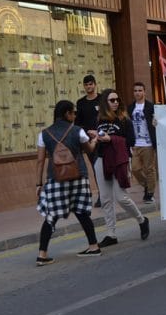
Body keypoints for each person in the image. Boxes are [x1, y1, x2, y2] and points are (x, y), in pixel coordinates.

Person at [35, 100, 101, 265]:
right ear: (67, 114)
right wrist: (94, 139)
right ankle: (94, 246)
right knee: (81, 212)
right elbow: (89, 150)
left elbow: (40, 161)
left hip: (55, 179)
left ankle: (42, 254)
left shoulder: (44, 134)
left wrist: (38, 184)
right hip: (78, 177)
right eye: (73, 112)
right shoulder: (78, 131)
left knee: (51, 215)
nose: (75, 116)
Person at [92, 88, 150, 247]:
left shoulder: (125, 120)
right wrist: (95, 136)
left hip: (120, 160)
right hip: (101, 159)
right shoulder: (100, 119)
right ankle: (111, 234)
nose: (116, 102)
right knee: (105, 199)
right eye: (112, 100)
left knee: (121, 197)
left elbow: (131, 141)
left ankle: (142, 220)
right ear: (105, 103)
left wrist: (111, 139)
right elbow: (97, 138)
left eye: (117, 99)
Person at [128, 82, 157, 203]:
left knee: (149, 169)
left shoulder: (151, 106)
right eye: (135, 91)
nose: (137, 93)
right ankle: (147, 185)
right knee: (135, 169)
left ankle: (150, 193)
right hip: (136, 143)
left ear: (144, 92)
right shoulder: (130, 107)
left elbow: (157, 121)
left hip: (148, 143)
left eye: (140, 90)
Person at [75, 74, 102, 206]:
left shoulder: (102, 99)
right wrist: (86, 135)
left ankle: (110, 192)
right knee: (96, 167)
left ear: (95, 85)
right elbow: (78, 123)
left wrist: (99, 132)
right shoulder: (80, 103)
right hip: (89, 142)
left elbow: (109, 117)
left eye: (90, 84)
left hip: (104, 138)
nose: (88, 86)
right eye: (86, 84)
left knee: (106, 167)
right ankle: (102, 195)